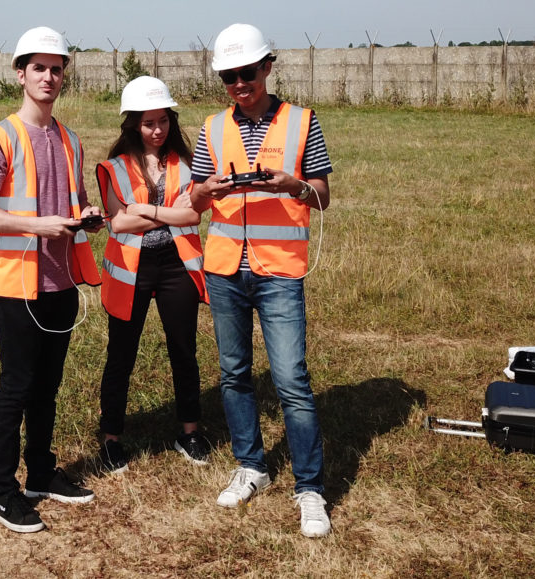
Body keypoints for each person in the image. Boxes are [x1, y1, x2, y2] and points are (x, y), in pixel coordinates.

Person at [188, 23, 333, 538]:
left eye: (246, 73)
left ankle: (310, 488)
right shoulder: (211, 127)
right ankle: (251, 465)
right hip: (225, 267)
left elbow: (322, 195)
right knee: (234, 374)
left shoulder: (302, 122)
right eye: (228, 76)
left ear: (268, 67)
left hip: (278, 271)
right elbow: (195, 202)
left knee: (292, 380)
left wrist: (294, 185)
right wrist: (209, 188)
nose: (238, 84)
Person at [0, 26, 103, 534]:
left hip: (61, 281)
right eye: (39, 67)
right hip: (17, 285)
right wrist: (36, 225)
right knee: (17, 387)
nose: (49, 76)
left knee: (48, 387)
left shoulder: (70, 140)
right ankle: (4, 493)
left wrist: (83, 214)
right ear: (20, 74)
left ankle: (41, 473)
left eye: (57, 68)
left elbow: (71, 199)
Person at [94, 76, 211, 473]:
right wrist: (163, 214)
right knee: (121, 356)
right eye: (148, 123)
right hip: (132, 270)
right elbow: (117, 224)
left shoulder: (187, 163)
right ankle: (111, 439)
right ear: (132, 124)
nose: (157, 130)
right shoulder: (115, 167)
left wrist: (146, 211)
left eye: (163, 121)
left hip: (177, 266)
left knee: (184, 351)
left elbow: (193, 214)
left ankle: (190, 432)